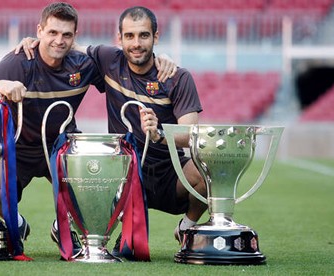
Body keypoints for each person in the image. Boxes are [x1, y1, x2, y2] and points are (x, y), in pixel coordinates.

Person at [0, 2, 176, 258]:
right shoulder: (18, 61)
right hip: (18, 148)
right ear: (39, 31)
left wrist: (162, 56)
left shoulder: (83, 65)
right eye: (52, 33)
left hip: (61, 147)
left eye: (66, 35)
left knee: (99, 181)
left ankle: (66, 225)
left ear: (74, 38)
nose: (59, 40)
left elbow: (130, 59)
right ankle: (17, 224)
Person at [15, 6, 207, 256]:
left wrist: (159, 133)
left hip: (168, 174)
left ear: (155, 38)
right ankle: (69, 227)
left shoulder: (177, 77)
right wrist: (38, 40)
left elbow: (191, 134)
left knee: (206, 167)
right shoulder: (109, 59)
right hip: (121, 177)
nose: (136, 43)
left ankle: (187, 227)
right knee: (90, 163)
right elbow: (67, 44)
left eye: (144, 36)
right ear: (119, 38)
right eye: (129, 36)